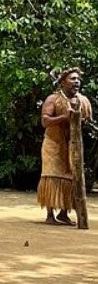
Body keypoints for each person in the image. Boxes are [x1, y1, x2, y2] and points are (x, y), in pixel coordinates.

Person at [38, 67, 92, 225]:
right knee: (52, 175)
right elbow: (45, 121)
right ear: (62, 83)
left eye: (78, 79)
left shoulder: (83, 101)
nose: (77, 82)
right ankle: (50, 214)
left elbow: (88, 122)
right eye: (72, 79)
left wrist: (80, 121)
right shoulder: (53, 99)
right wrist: (63, 117)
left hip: (73, 145)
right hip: (53, 144)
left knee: (72, 176)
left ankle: (64, 213)